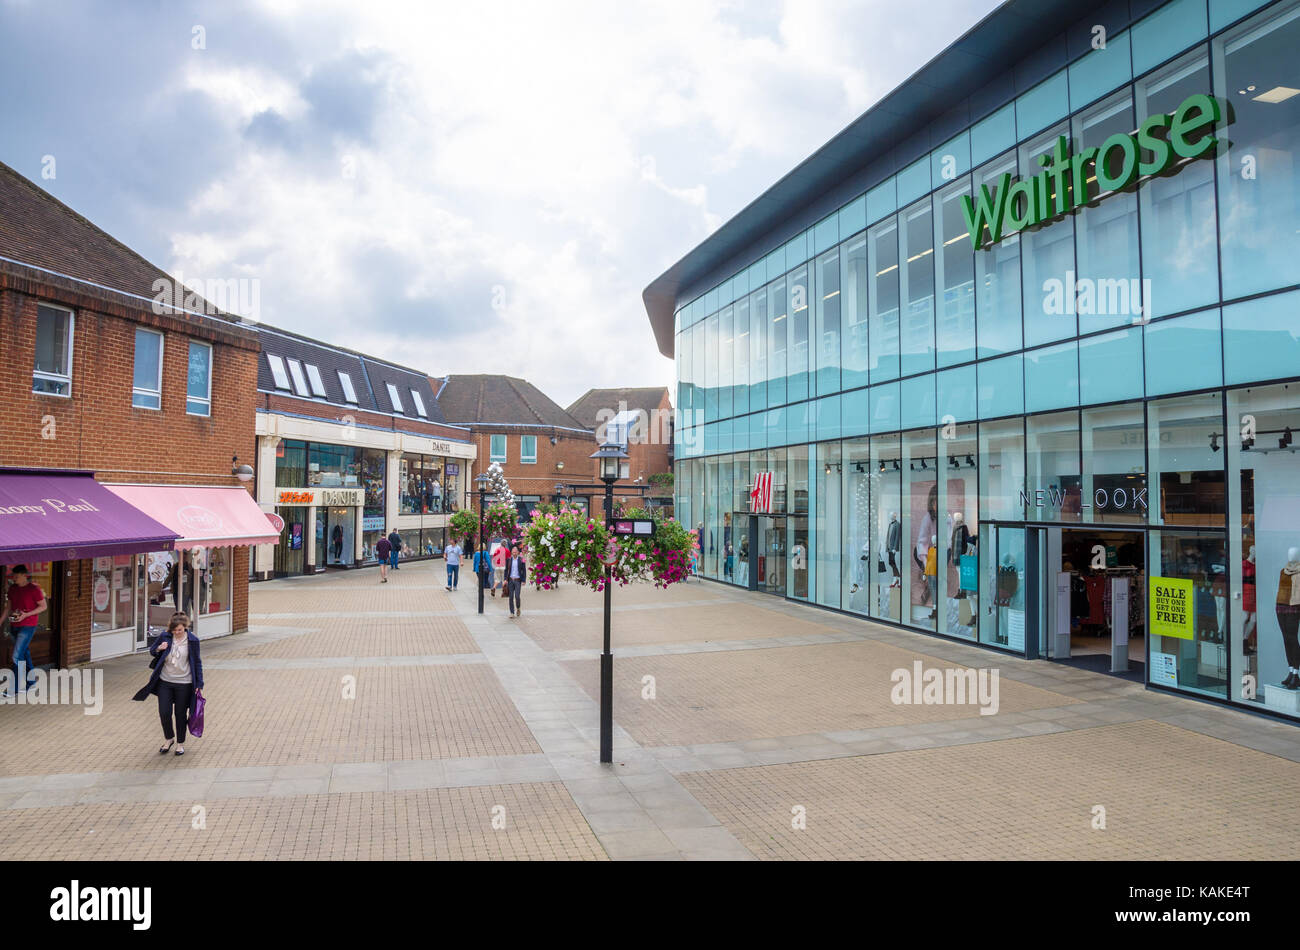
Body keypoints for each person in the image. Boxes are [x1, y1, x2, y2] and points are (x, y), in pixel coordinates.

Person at [132, 612, 204, 756]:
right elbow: (152, 651)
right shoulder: (165, 637)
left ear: (185, 628)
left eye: (180, 630)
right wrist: (160, 648)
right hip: (165, 682)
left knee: (180, 714)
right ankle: (169, 739)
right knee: (164, 712)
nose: (177, 633)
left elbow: (197, 662)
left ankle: (180, 743)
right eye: (174, 630)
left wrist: (199, 683)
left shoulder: (193, 641)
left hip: (184, 683)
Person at [1, 565, 47, 695]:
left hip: (28, 625)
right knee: (24, 654)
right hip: (14, 625)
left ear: (24, 575)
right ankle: (31, 682)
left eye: (16, 576)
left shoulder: (34, 589)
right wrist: (0, 621)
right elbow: (8, 607)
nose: (14, 578)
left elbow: (43, 606)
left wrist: (27, 614)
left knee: (16, 655)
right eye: (13, 576)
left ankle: (13, 688)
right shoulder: (12, 589)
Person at [505, 544, 527, 618]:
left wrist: (524, 580)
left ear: (518, 552)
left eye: (515, 552)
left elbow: (524, 571)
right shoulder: (508, 560)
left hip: (518, 580)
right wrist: (505, 579)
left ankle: (518, 608)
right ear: (511, 552)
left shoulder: (521, 560)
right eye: (513, 552)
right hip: (511, 580)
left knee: (517, 596)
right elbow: (506, 570)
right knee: (511, 597)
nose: (514, 553)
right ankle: (511, 612)